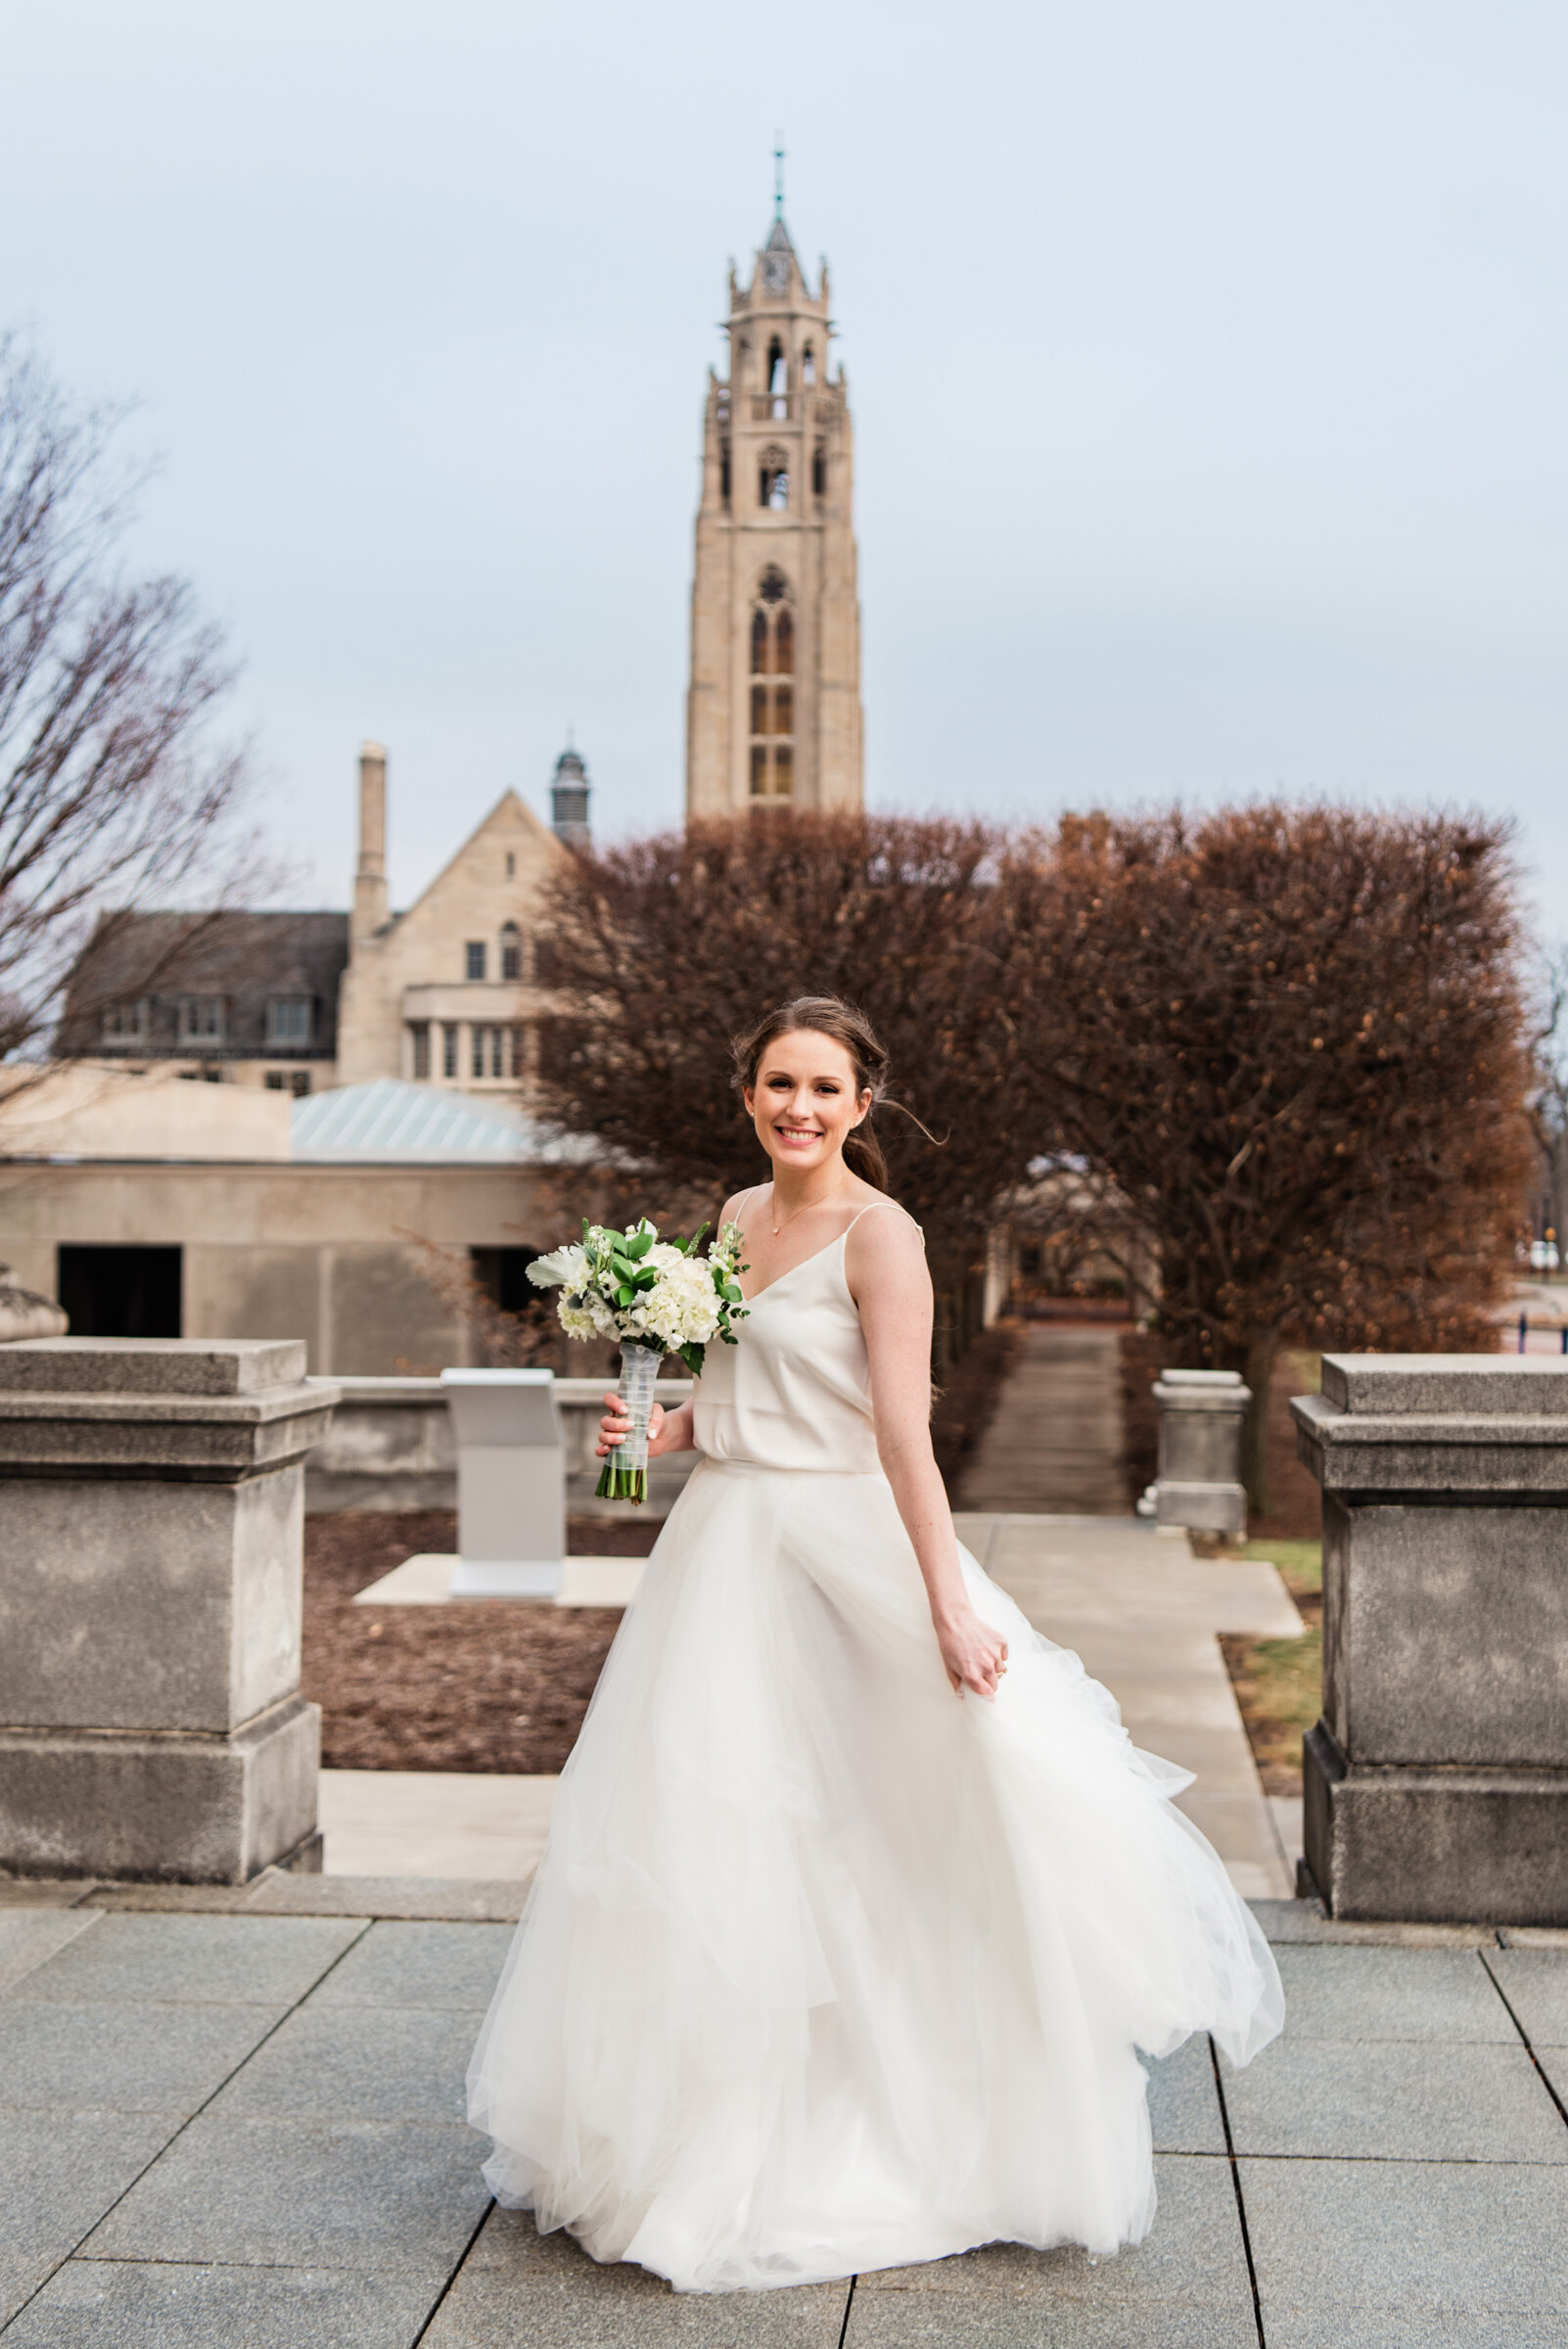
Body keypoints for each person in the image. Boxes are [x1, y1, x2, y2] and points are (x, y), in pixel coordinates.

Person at [467, 995, 1283, 2294]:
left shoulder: (880, 1236)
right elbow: (731, 1391)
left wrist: (949, 1601)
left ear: (861, 1105)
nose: (799, 1107)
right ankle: (709, 2127)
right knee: (726, 1838)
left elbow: (900, 1436)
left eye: (824, 1089)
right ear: (748, 1094)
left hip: (840, 1549)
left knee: (879, 1823)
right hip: (723, 1555)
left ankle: (906, 2118)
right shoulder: (735, 1218)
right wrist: (661, 1434)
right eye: (779, 1084)